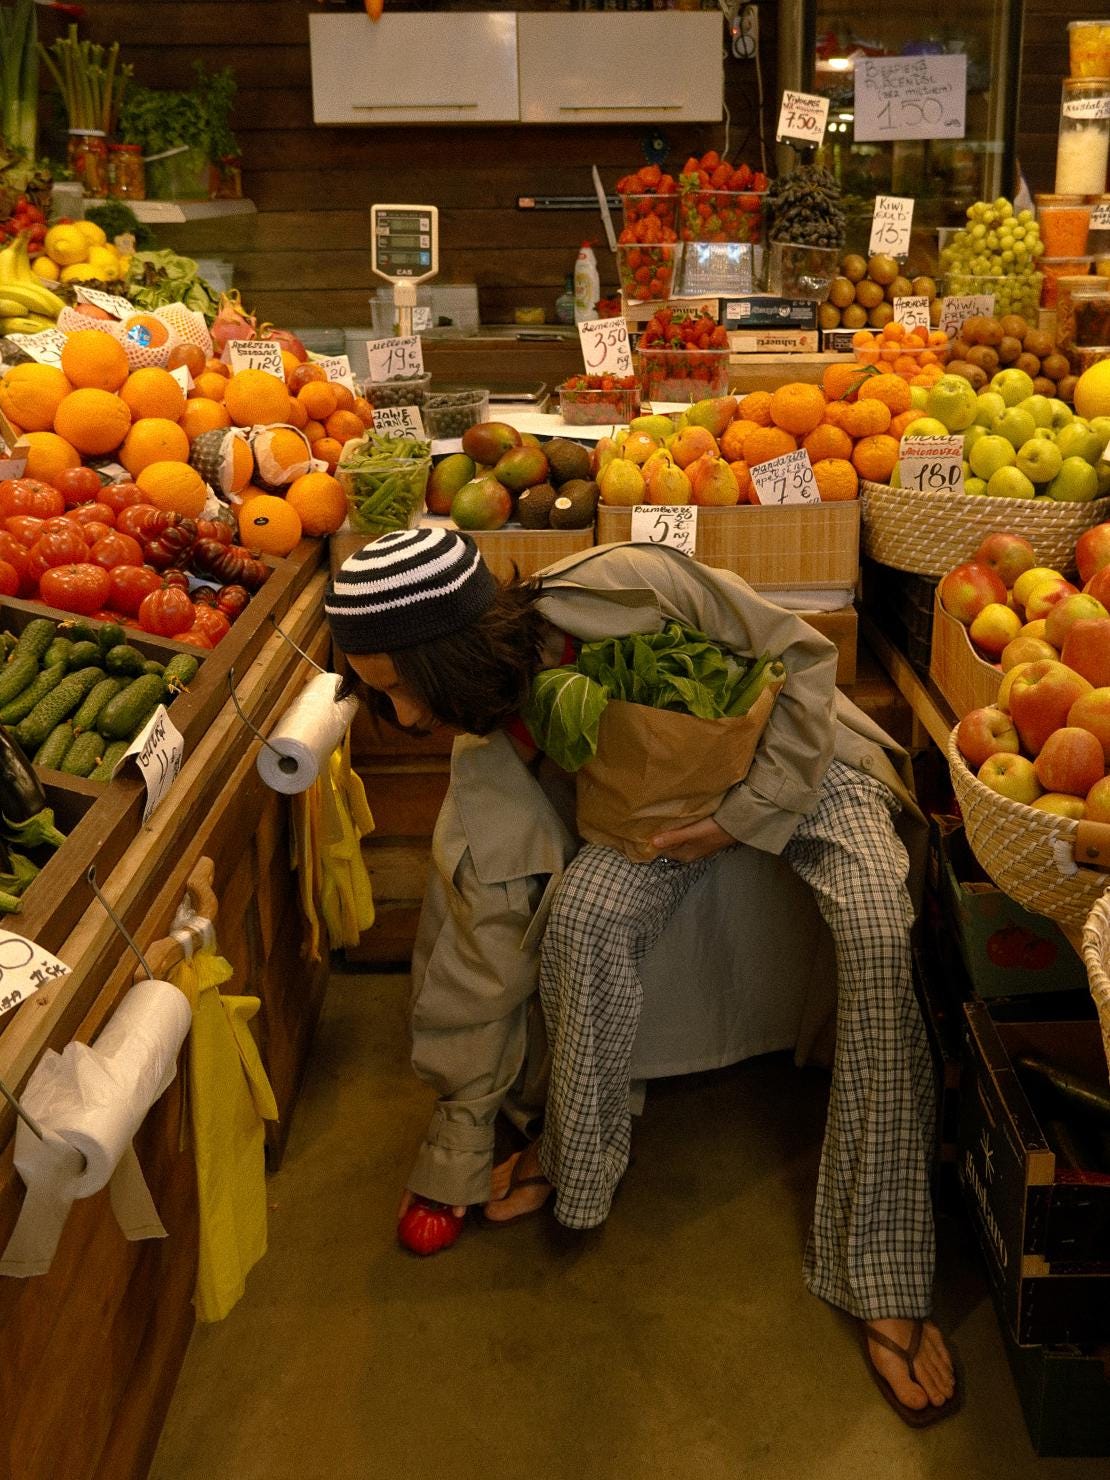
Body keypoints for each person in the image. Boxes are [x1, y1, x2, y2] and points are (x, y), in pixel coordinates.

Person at [325, 526, 959, 1427]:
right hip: (654, 822)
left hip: (804, 767)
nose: (406, 721)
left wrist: (744, 814)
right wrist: (458, 1148)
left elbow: (804, 659)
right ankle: (574, 1164)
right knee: (582, 919)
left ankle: (882, 1267)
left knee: (873, 923)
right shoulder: (485, 742)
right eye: (375, 696)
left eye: (400, 688)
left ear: (451, 650)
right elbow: (479, 947)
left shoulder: (626, 584)